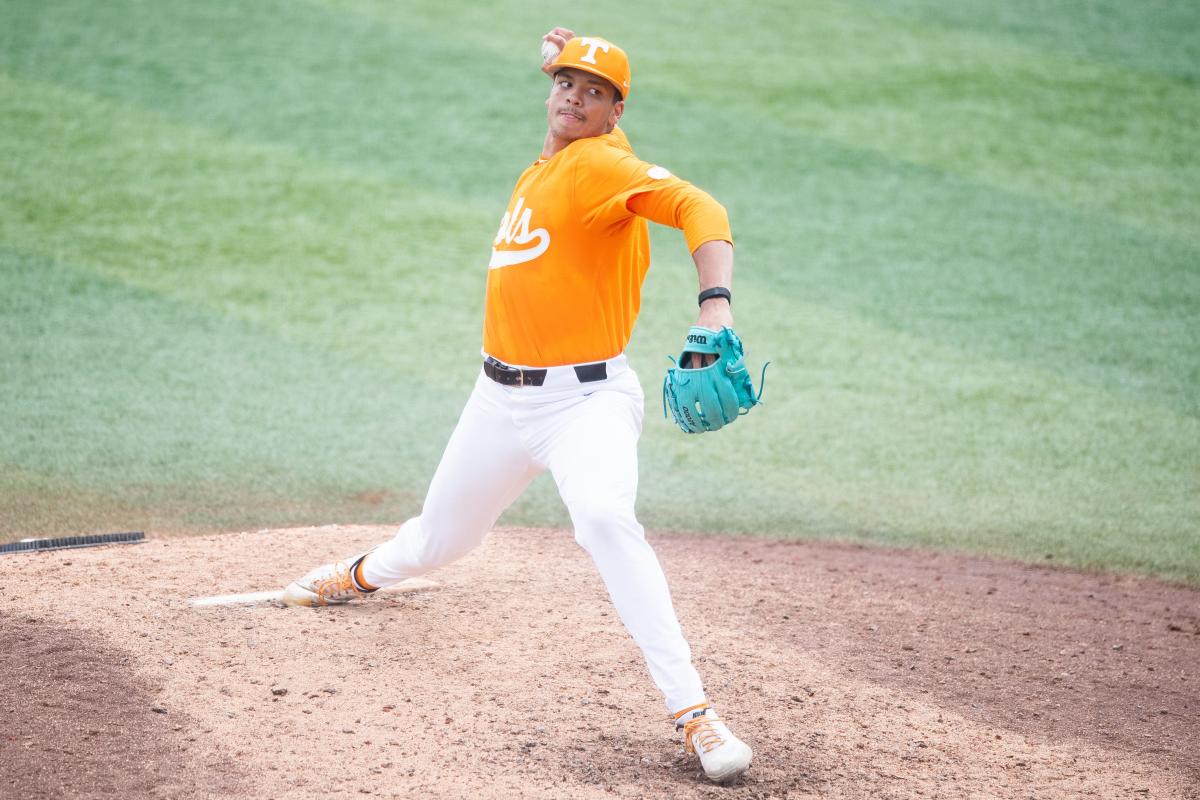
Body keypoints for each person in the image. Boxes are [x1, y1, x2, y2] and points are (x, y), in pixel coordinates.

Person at [282, 27, 753, 784]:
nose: (575, 96)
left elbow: (702, 206)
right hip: (497, 402)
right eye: (567, 83)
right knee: (438, 542)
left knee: (603, 518)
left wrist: (717, 306)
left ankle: (694, 713)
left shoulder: (601, 165)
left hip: (586, 403)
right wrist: (573, 72)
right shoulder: (553, 163)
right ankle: (364, 572)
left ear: (615, 111)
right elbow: (573, 120)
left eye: (593, 92)